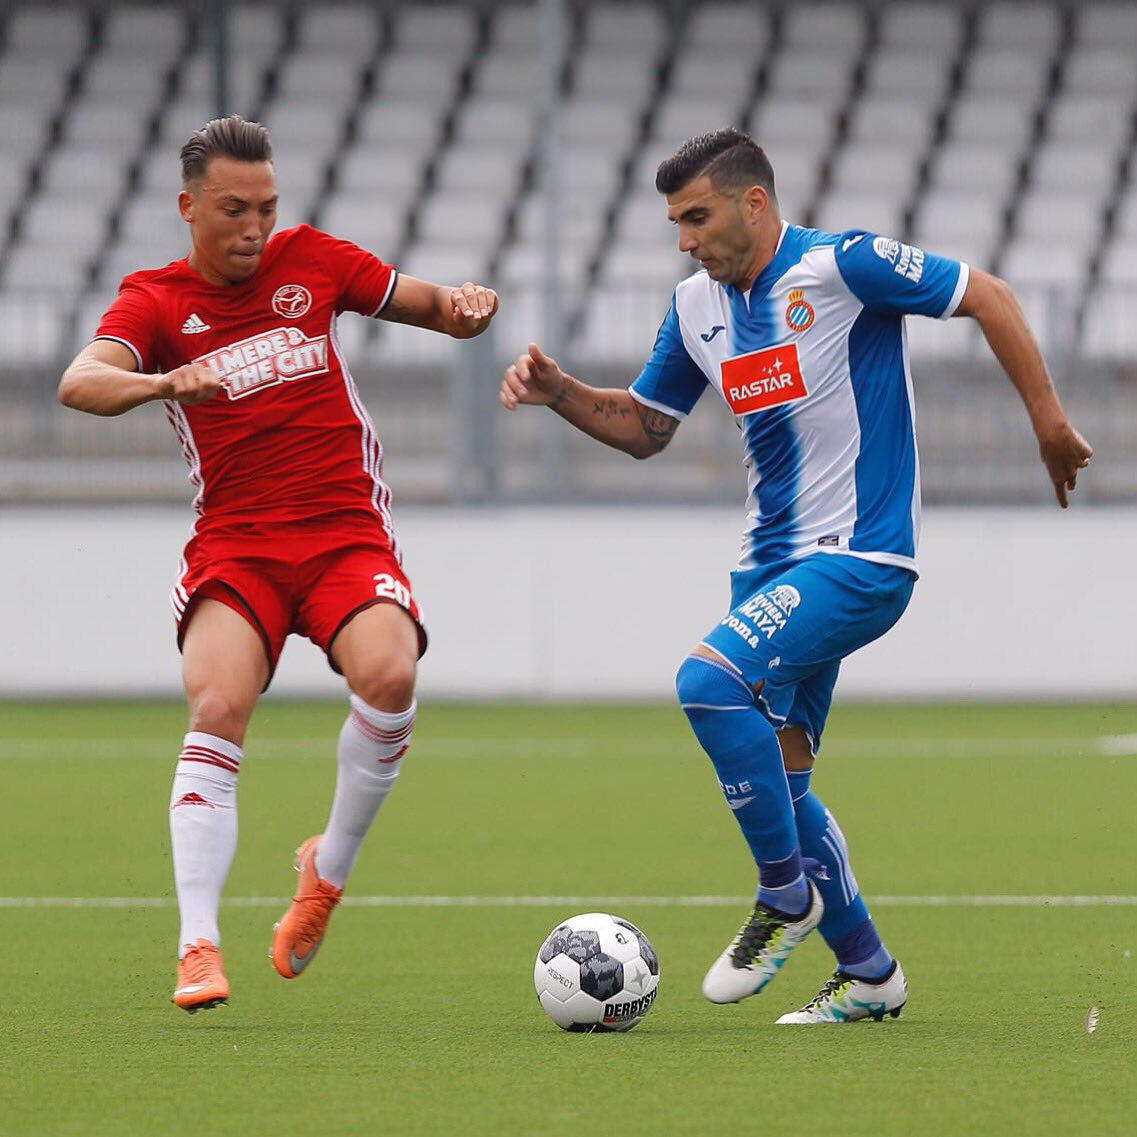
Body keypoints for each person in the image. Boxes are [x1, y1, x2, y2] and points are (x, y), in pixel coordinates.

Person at [501, 128, 1091, 1023]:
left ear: (754, 202)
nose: (684, 240)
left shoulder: (841, 266)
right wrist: (560, 392)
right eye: (675, 223)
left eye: (697, 217)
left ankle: (784, 893)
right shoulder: (694, 306)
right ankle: (870, 974)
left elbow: (990, 295)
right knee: (785, 773)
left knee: (706, 682)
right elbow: (646, 426)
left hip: (860, 554)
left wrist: (1047, 421)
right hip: (767, 570)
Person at [58, 116, 498, 1013]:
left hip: (343, 531)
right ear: (189, 208)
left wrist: (464, 307)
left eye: (266, 206)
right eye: (234, 209)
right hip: (238, 543)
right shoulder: (155, 301)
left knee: (391, 674)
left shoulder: (315, 260)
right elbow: (80, 381)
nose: (255, 226)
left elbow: (432, 307)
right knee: (218, 706)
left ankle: (326, 870)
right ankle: (197, 945)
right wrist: (160, 381)